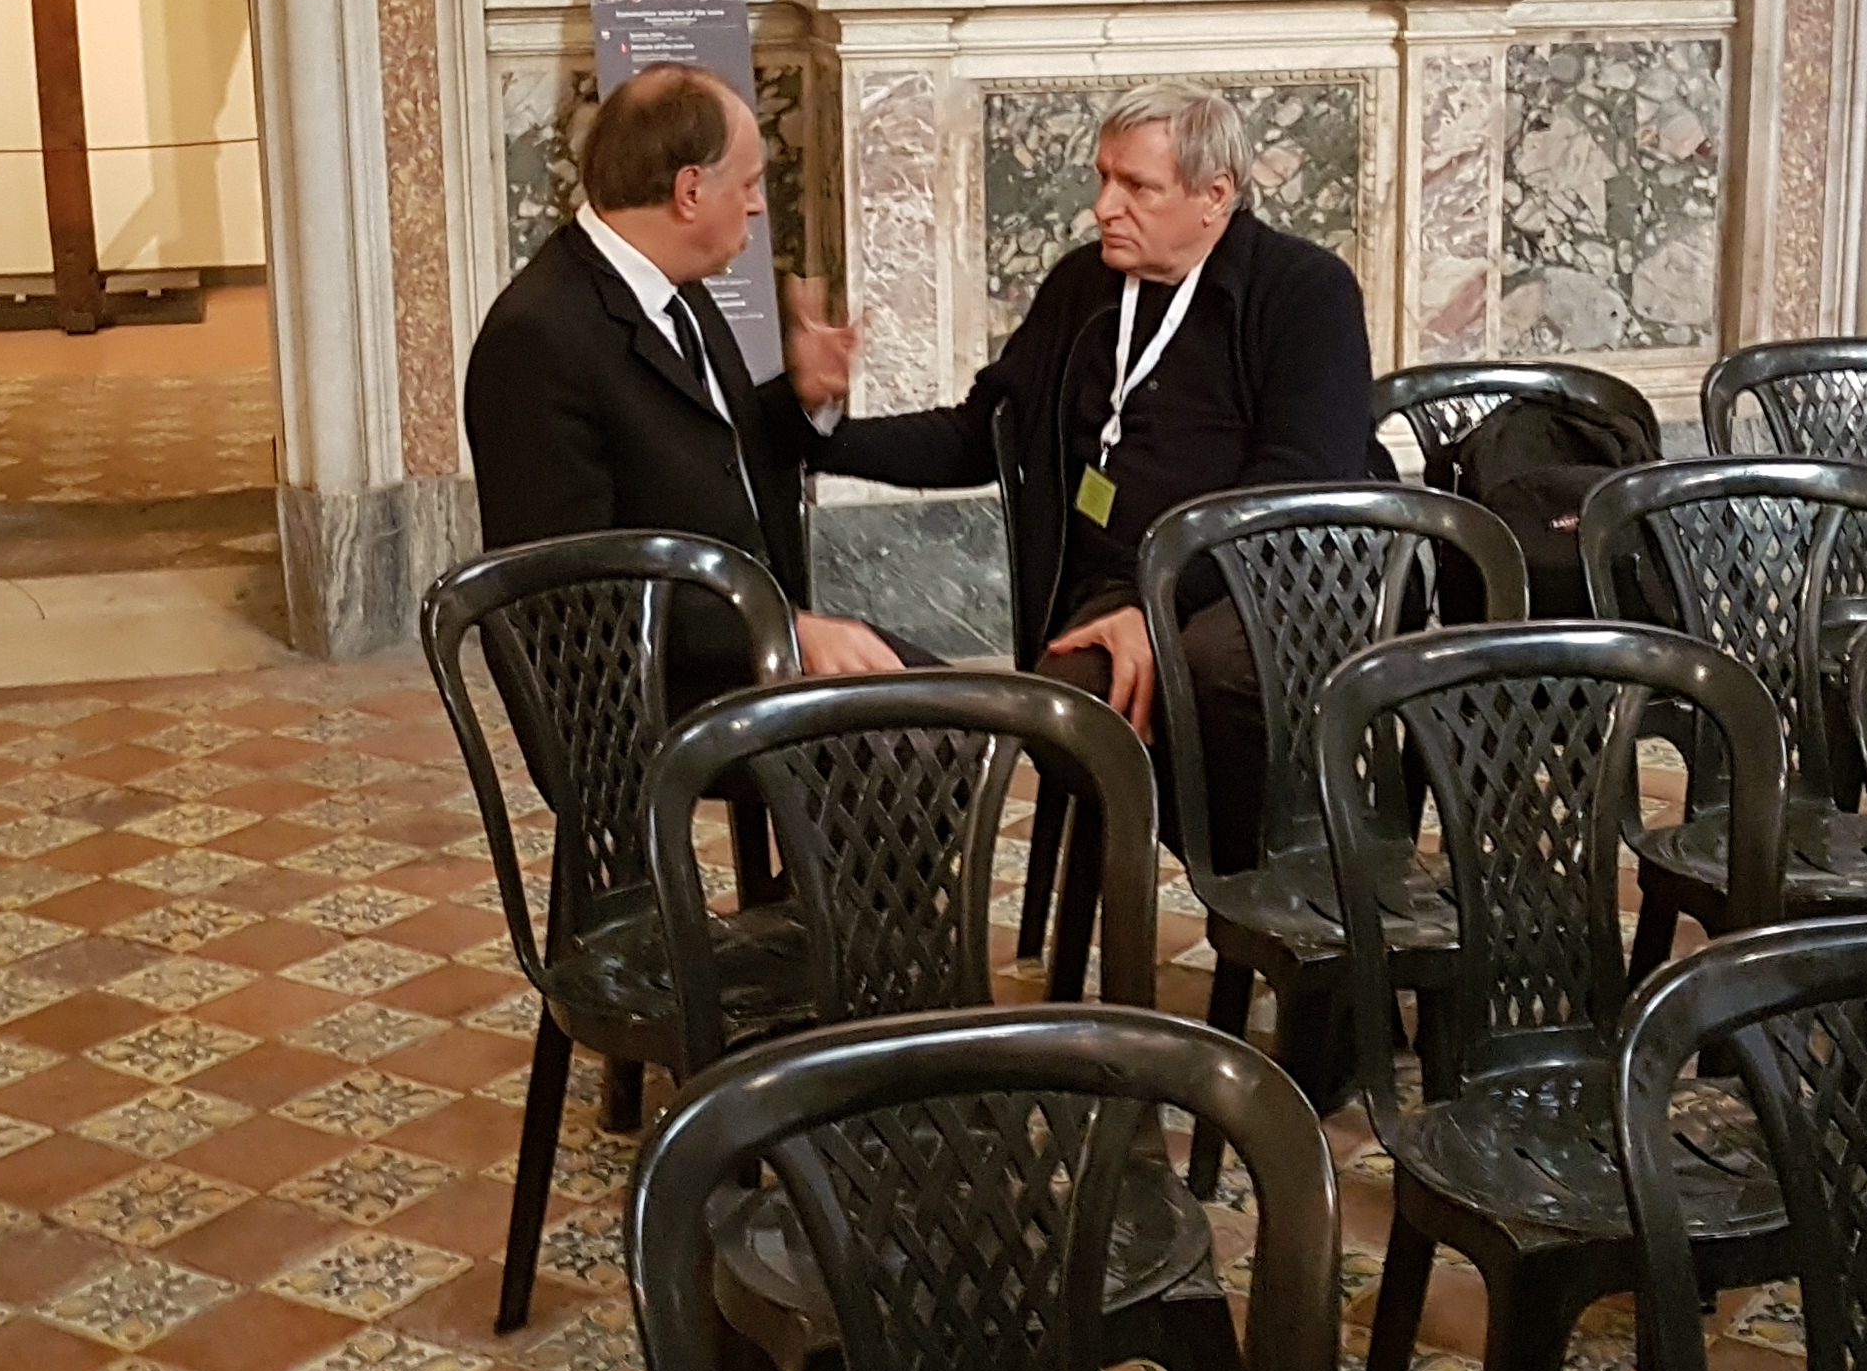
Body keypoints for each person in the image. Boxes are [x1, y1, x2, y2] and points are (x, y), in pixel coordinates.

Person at [806, 82, 1379, 866]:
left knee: (1216, 675)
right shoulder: (1085, 285)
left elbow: (1296, 486)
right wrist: (820, 431)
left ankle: (1269, 890)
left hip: (1263, 582)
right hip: (1115, 589)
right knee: (1074, 703)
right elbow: (980, 434)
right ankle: (1167, 889)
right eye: (1104, 179)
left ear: (1215, 195)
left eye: (1137, 187)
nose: (1105, 206)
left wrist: (1160, 603)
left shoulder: (1304, 290)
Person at [462, 64, 899, 687]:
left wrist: (801, 400)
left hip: (758, 665)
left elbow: (710, 454)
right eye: (749, 183)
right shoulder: (537, 337)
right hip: (658, 702)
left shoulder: (677, 286)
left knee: (978, 715)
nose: (758, 204)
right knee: (959, 726)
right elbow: (565, 594)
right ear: (690, 190)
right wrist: (785, 632)